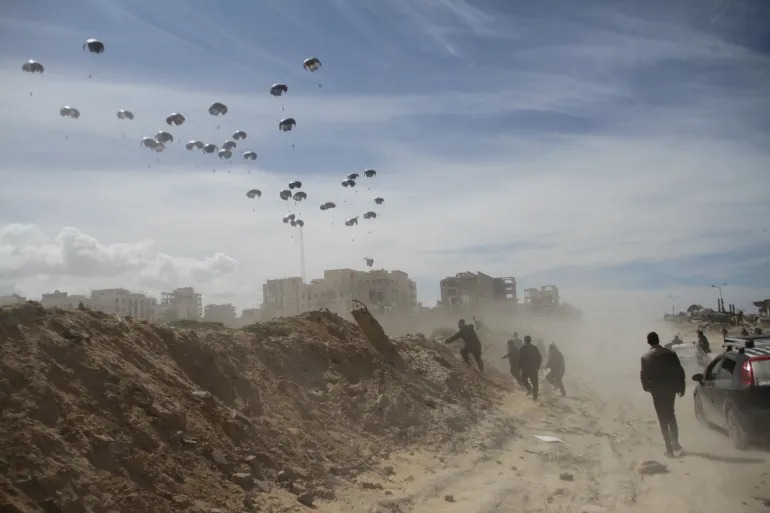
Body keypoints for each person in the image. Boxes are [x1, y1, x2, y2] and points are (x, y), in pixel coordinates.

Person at [640, 331, 686, 457]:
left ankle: (669, 449)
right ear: (658, 340)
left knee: (662, 419)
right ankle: (675, 442)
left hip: (656, 390)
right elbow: (679, 370)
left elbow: (644, 376)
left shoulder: (645, 357)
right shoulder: (670, 353)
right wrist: (681, 387)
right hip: (670, 388)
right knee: (671, 414)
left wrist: (647, 388)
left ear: (649, 342)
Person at [519, 335, 542, 401]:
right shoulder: (535, 348)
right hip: (534, 368)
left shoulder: (522, 348)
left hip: (525, 368)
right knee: (535, 382)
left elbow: (521, 359)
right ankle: (535, 395)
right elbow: (539, 357)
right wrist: (538, 366)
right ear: (530, 340)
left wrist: (519, 366)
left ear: (524, 340)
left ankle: (530, 389)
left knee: (523, 379)